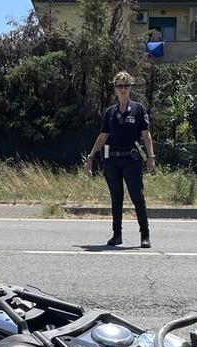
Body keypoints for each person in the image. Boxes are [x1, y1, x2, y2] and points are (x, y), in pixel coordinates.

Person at [84, 71, 156, 248]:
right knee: (116, 197)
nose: (123, 89)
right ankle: (117, 235)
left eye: (126, 85)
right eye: (119, 86)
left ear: (130, 87)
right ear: (115, 89)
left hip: (132, 159)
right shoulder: (110, 112)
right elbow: (103, 136)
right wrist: (91, 156)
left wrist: (151, 157)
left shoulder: (138, 109)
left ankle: (144, 235)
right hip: (112, 160)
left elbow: (146, 135)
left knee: (137, 197)